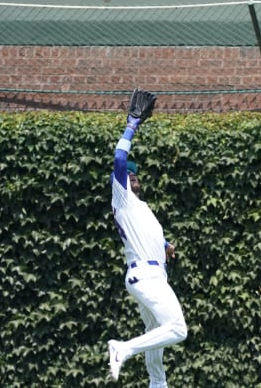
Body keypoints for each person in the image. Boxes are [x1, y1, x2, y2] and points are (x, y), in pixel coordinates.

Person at [107, 89, 188, 387]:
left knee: (155, 340)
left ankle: (158, 385)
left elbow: (150, 235)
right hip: (146, 276)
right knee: (178, 329)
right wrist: (132, 124)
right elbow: (119, 157)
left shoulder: (141, 208)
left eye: (136, 175)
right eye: (130, 175)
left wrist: (165, 245)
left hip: (152, 274)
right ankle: (122, 348)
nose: (134, 177)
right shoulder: (123, 198)